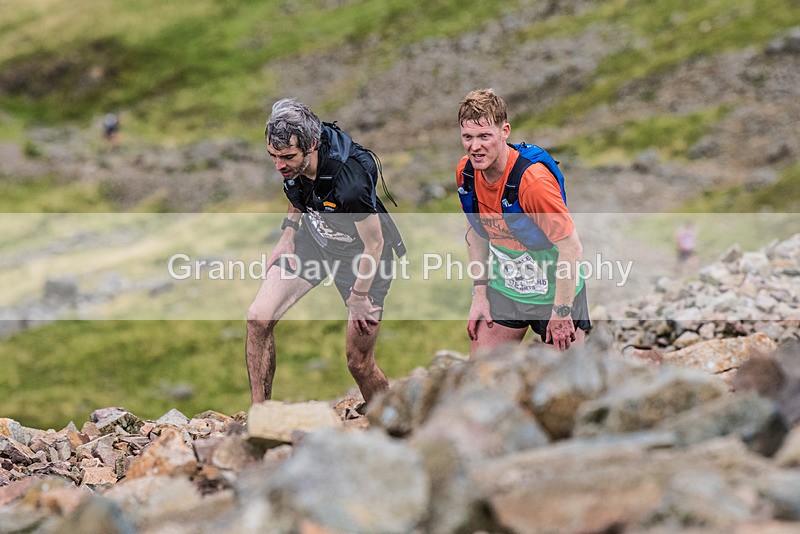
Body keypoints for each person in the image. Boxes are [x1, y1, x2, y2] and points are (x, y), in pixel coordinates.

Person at [246, 98, 405, 406]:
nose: (279, 165)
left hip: (361, 259)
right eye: (273, 156)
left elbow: (375, 244)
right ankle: (259, 415)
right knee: (258, 318)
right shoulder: (293, 164)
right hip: (316, 241)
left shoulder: (350, 183)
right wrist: (288, 234)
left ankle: (392, 422)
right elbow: (298, 191)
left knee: (358, 363)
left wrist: (359, 296)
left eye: (287, 157)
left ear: (312, 146)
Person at [456, 89, 591, 353]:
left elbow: (571, 248)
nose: (475, 147)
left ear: (504, 131)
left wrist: (562, 312)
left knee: (568, 376)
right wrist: (480, 293)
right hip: (505, 290)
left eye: (484, 136)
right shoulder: (467, 172)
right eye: (467, 137)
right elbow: (476, 230)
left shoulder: (533, 182)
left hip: (554, 295)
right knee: (481, 372)